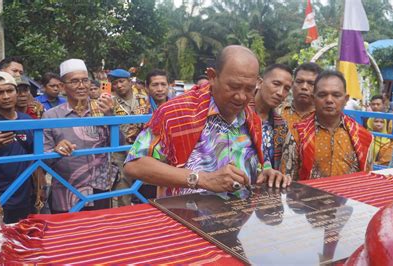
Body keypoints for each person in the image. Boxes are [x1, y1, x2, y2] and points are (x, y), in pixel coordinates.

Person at [124, 45, 290, 198]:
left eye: (249, 89)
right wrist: (201, 179)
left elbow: (258, 162)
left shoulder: (251, 118)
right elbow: (134, 164)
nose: (241, 96)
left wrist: (267, 172)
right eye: (233, 86)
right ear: (212, 77)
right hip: (185, 220)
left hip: (238, 223)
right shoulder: (176, 112)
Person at [43, 59, 115, 213]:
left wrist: (111, 117)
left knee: (100, 232)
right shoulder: (51, 116)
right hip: (67, 192)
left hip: (100, 190)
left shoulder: (102, 110)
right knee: (69, 235)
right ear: (63, 87)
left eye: (84, 80)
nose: (81, 86)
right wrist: (56, 150)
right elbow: (43, 158)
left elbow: (118, 145)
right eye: (74, 81)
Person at [281, 70, 373, 180]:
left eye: (336, 95)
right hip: (308, 196)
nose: (329, 100)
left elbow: (367, 179)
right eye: (322, 95)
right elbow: (287, 180)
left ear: (346, 99)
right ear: (313, 99)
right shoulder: (297, 133)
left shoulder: (363, 137)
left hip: (350, 196)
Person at [0, 72, 35, 223]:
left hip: (25, 193)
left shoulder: (28, 120)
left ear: (16, 93)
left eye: (9, 91)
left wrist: (40, 187)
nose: (5, 96)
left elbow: (37, 155)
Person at [107, 68, 149, 206]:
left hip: (144, 151)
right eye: (114, 83)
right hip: (121, 153)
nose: (118, 85)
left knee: (146, 188)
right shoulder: (111, 103)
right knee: (123, 190)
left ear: (130, 82)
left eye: (121, 81)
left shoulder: (145, 100)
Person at [251, 64, 292, 170]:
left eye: (286, 89)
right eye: (276, 84)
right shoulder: (239, 115)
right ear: (259, 83)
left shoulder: (282, 126)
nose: (280, 93)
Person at [281, 62, 322, 134]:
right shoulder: (278, 113)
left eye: (311, 83)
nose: (304, 87)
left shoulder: (326, 118)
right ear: (292, 84)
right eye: (299, 81)